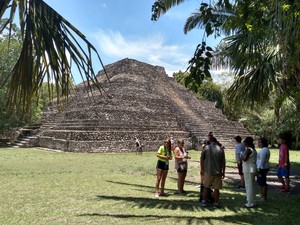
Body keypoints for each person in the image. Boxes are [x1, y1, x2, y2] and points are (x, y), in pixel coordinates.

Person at [201, 137, 226, 208]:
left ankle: (204, 201)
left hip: (208, 171)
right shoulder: (220, 149)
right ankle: (216, 203)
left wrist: (202, 169)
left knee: (206, 187)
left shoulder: (206, 148)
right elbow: (223, 163)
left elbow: (202, 159)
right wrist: (223, 172)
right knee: (216, 188)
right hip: (218, 172)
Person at [241, 137, 257, 208]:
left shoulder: (248, 150)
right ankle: (253, 200)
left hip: (248, 168)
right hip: (252, 167)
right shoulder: (253, 149)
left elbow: (245, 159)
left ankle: (250, 202)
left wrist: (241, 157)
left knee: (248, 185)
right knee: (251, 184)